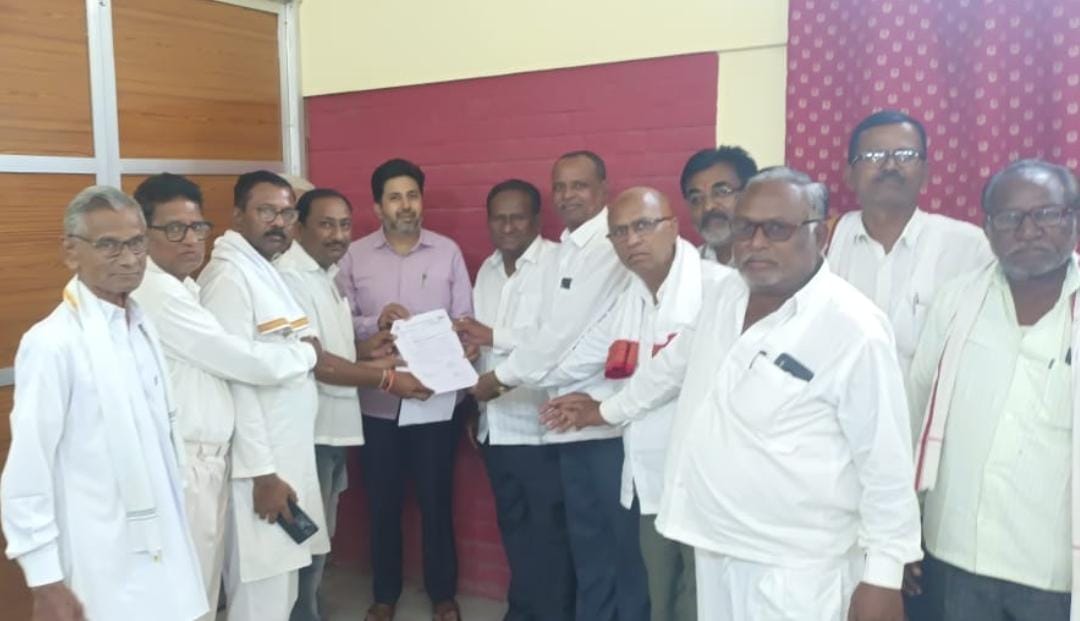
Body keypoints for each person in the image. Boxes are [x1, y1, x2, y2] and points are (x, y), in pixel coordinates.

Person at [547, 167, 923, 620]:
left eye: (777, 228)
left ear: (820, 234)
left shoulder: (853, 328)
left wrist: (883, 577)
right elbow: (669, 368)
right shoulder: (726, 296)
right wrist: (607, 411)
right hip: (715, 546)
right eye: (745, 228)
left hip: (797, 568)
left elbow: (885, 463)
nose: (756, 242)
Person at [1, 186, 207, 620]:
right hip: (99, 557)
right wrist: (44, 581)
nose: (129, 259)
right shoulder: (53, 343)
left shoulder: (140, 325)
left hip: (163, 541)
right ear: (71, 252)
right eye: (109, 245)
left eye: (136, 243)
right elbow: (28, 469)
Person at [463, 151, 645, 621]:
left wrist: (499, 378)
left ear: (603, 188)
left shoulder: (606, 247)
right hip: (556, 419)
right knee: (580, 543)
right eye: (560, 186)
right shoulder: (567, 249)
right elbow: (554, 337)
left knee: (606, 546)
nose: (568, 195)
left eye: (579, 185)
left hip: (596, 417)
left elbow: (559, 337)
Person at [131, 173, 320, 621]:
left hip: (212, 462)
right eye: (174, 229)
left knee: (203, 595)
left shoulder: (188, 286)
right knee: (193, 601)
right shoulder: (169, 290)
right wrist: (306, 354)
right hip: (190, 464)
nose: (190, 239)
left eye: (196, 227)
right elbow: (241, 366)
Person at [539, 186, 732, 620]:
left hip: (705, 478)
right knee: (658, 597)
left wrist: (603, 410)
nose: (632, 240)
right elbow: (608, 363)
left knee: (702, 601)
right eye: (620, 232)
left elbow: (671, 373)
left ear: (673, 225)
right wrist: (590, 398)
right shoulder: (632, 296)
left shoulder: (719, 287)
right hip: (649, 477)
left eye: (643, 226)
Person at [907, 160, 1080, 621]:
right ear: (987, 229)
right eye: (1009, 218)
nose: (1028, 231)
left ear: (1074, 219)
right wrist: (899, 535)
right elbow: (914, 414)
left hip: (1056, 572)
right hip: (953, 556)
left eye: (1047, 214)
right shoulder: (956, 300)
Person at [277, 187, 433, 621]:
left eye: (345, 225)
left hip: (333, 427)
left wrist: (367, 351)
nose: (338, 235)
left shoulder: (326, 275)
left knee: (317, 538)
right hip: (306, 432)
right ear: (299, 227)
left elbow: (332, 350)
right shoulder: (290, 278)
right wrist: (387, 378)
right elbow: (317, 363)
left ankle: (307, 611)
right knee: (301, 543)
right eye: (326, 224)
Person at [335, 159, 473, 621]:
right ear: (378, 206)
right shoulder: (354, 256)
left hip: (435, 401)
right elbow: (338, 321)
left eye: (412, 195)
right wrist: (374, 322)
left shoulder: (447, 252)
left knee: (437, 502)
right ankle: (385, 595)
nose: (405, 205)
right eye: (394, 197)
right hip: (379, 402)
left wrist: (456, 342)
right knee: (382, 505)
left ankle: (443, 594)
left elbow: (465, 319)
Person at [196, 170, 326, 621]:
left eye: (287, 213)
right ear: (238, 215)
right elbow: (235, 380)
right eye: (266, 211)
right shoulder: (228, 279)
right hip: (262, 475)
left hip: (285, 460)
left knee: (279, 595)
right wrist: (262, 475)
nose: (278, 222)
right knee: (261, 602)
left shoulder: (264, 270)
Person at [462, 179, 575, 619]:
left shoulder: (559, 263)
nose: (507, 226)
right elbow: (481, 347)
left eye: (517, 217)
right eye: (499, 218)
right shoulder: (487, 271)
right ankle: (524, 609)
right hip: (495, 426)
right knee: (513, 526)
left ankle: (552, 613)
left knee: (549, 532)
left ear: (537, 219)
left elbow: (560, 337)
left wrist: (493, 335)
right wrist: (473, 400)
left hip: (540, 425)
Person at [827, 110, 992, 374]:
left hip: (926, 402)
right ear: (850, 174)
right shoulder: (823, 242)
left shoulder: (971, 248)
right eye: (874, 156)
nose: (890, 166)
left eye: (905, 156)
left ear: (926, 173)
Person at [679, 146, 759, 264]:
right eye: (696, 199)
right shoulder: (688, 266)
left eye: (722, 192)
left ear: (750, 194)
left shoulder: (772, 262)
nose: (708, 207)